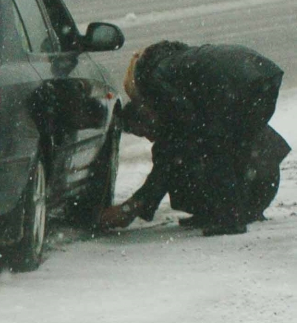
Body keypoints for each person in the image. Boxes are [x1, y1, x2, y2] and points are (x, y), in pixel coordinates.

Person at [100, 41, 290, 236]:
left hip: (236, 82)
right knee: (232, 145)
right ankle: (234, 210)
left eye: (144, 132)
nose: (149, 139)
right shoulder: (174, 67)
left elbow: (179, 141)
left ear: (147, 108)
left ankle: (229, 219)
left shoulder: (155, 83)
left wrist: (133, 207)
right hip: (261, 74)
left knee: (208, 147)